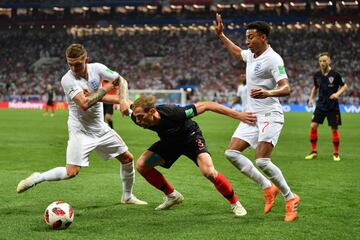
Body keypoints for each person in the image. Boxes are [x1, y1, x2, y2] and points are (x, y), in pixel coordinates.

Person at [16, 43, 147, 205]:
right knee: (71, 172)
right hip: (80, 130)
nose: (73, 67)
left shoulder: (97, 69)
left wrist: (122, 100)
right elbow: (84, 104)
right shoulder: (67, 79)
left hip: (100, 128)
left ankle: (127, 196)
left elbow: (122, 81)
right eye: (70, 64)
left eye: (77, 64)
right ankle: (38, 177)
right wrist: (106, 89)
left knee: (127, 158)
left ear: (86, 59)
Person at [214, 14, 300, 222]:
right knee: (232, 153)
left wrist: (268, 93)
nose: (247, 41)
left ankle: (291, 197)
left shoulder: (273, 59)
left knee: (262, 160)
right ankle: (268, 187)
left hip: (270, 114)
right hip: (252, 115)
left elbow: (286, 87)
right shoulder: (252, 54)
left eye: (250, 37)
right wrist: (221, 36)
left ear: (262, 37)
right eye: (246, 37)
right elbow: (238, 53)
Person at [130, 95, 257, 217]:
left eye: (140, 117)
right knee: (142, 165)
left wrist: (239, 115)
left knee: (209, 172)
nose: (138, 121)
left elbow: (208, 105)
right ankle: (172, 196)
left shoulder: (175, 113)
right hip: (169, 143)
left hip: (190, 138)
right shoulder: (136, 117)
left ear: (152, 111)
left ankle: (235, 203)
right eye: (136, 117)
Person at [305, 52, 348, 161]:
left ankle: (336, 153)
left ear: (329, 61)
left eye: (324, 61)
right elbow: (315, 87)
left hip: (332, 106)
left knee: (334, 129)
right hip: (320, 105)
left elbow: (345, 86)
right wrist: (311, 98)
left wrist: (337, 94)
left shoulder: (335, 74)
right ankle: (314, 151)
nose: (322, 63)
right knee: (313, 126)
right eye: (320, 61)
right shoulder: (317, 75)